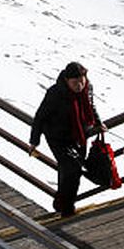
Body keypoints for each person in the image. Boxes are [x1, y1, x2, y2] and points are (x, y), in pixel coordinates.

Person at [29, 61, 102, 218]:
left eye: (81, 81)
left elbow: (90, 106)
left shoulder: (88, 88)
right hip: (58, 137)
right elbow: (40, 117)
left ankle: (60, 202)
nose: (79, 86)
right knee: (72, 168)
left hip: (79, 136)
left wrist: (98, 122)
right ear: (67, 80)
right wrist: (34, 141)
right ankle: (67, 209)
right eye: (75, 83)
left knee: (74, 171)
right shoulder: (55, 93)